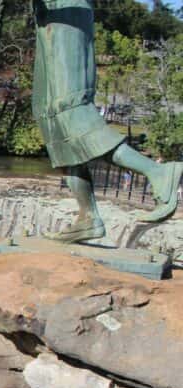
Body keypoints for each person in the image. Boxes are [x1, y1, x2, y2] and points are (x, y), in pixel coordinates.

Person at [33, 0, 183, 242]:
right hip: (50, 17)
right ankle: (88, 217)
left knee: (69, 109)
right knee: (51, 119)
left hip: (67, 14)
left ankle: (158, 171)